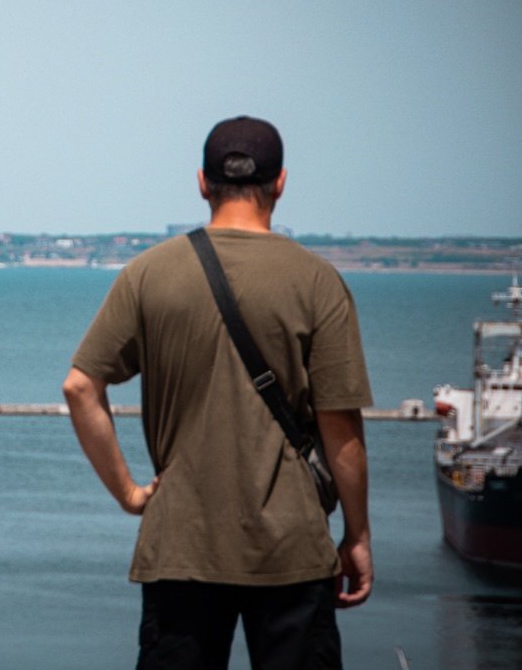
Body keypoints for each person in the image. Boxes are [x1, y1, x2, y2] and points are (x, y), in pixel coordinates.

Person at [62, 116, 372, 669]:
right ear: (280, 184)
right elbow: (340, 429)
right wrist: (357, 534)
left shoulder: (148, 274)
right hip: (294, 551)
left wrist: (130, 493)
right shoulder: (318, 281)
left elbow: (81, 386)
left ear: (202, 182)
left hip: (180, 547)